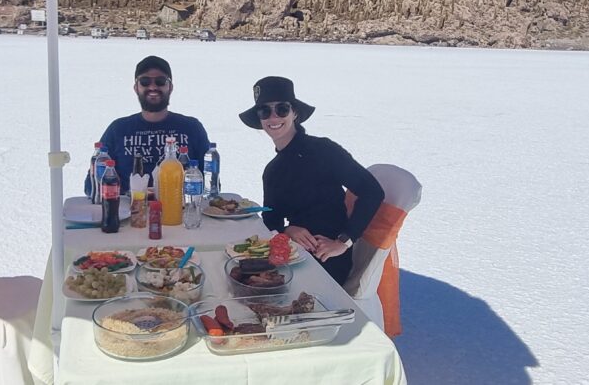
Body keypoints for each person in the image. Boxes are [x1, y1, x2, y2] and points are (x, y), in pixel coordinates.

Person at [238, 76, 385, 284]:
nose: (273, 117)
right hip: (293, 255)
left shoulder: (323, 150)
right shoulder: (273, 170)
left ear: (294, 113)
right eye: (265, 111)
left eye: (282, 109)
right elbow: (272, 220)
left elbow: (372, 191)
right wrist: (289, 230)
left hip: (329, 259)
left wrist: (343, 241)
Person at [85, 56, 210, 195]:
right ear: (136, 88)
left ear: (170, 87)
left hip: (179, 210)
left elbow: (209, 184)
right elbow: (92, 187)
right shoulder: (118, 129)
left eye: (160, 81)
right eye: (145, 82)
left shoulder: (191, 128)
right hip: (130, 212)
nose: (153, 87)